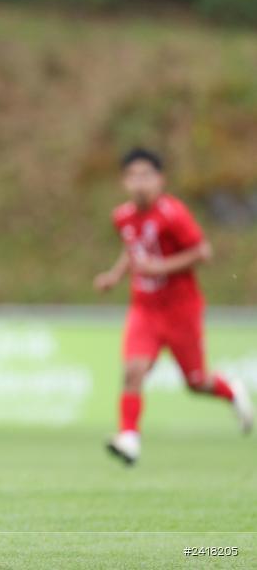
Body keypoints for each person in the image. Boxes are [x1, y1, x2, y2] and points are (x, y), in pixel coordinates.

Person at [94, 147, 252, 465]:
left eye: (146, 175)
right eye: (133, 176)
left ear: (160, 180)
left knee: (196, 382)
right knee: (133, 370)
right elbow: (133, 248)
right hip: (145, 309)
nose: (140, 183)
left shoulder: (173, 214)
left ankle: (231, 390)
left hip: (181, 310)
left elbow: (202, 252)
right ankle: (129, 438)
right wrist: (114, 276)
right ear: (124, 181)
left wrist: (160, 268)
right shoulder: (122, 216)